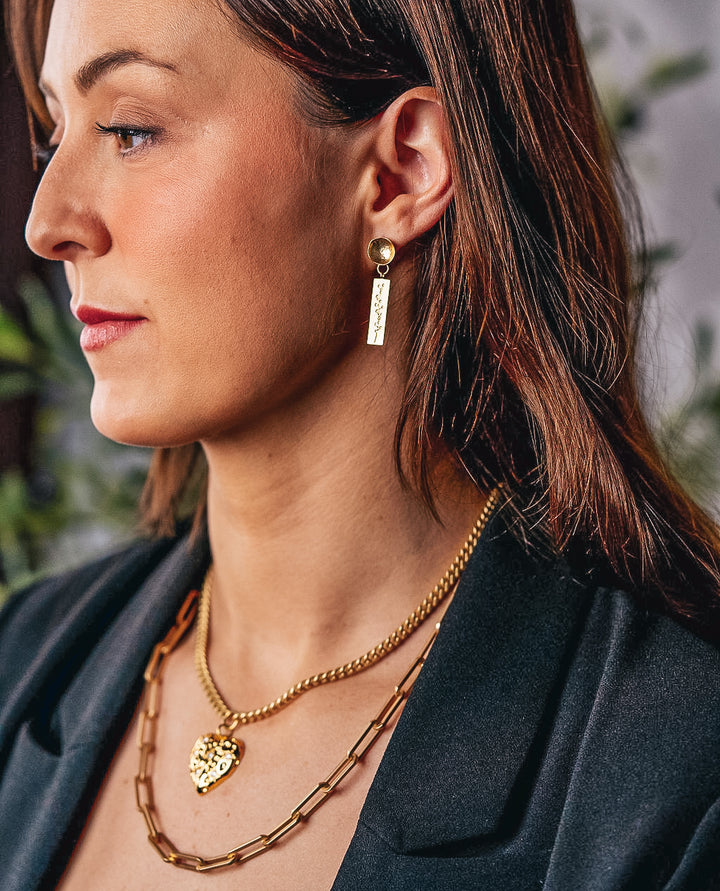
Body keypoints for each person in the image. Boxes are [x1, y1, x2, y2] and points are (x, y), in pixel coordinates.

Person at [1, 0, 720, 887]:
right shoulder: (19, 669)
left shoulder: (672, 777)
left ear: (400, 175)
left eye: (130, 129)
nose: (50, 221)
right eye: (53, 134)